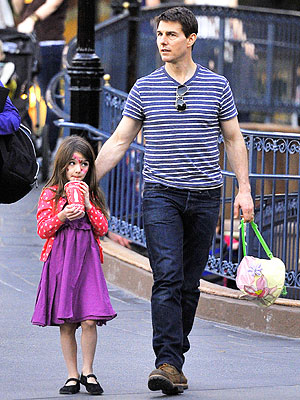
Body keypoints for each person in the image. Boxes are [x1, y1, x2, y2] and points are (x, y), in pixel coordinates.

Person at [95, 6, 254, 395]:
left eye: (170, 35)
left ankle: (174, 358)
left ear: (190, 39)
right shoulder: (145, 88)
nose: (162, 41)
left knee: (188, 283)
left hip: (205, 196)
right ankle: (166, 361)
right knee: (166, 276)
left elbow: (234, 139)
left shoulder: (217, 86)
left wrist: (244, 189)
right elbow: (119, 141)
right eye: (160, 34)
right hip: (160, 195)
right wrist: (81, 183)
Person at [32, 135, 116, 395]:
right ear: (62, 167)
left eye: (83, 164)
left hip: (88, 260)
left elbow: (102, 228)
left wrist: (89, 204)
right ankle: (71, 375)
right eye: (71, 164)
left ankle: (88, 371)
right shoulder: (50, 194)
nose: (78, 170)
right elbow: (43, 229)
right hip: (61, 260)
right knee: (67, 323)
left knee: (90, 320)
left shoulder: (92, 193)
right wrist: (62, 214)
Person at [12, 0, 68, 152]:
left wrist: (32, 20)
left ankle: (47, 148)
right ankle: (29, 143)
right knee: (21, 94)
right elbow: (19, 11)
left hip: (49, 44)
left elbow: (53, 4)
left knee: (50, 96)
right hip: (28, 45)